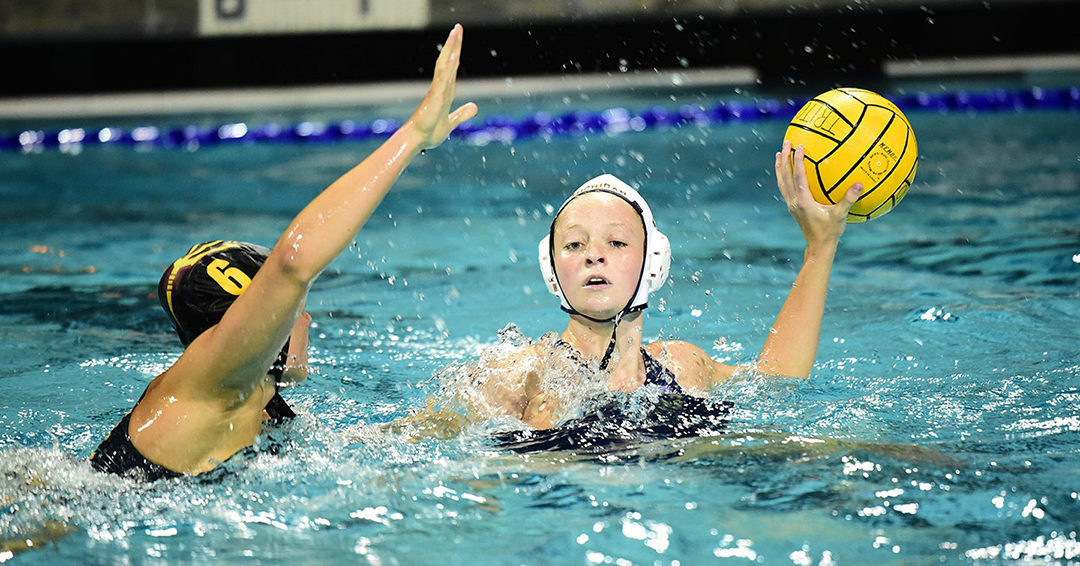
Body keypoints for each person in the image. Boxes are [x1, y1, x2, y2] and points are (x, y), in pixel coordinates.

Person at [89, 24, 478, 480]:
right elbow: (293, 263)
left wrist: (458, 424)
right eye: (290, 309)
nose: (305, 319)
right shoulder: (218, 381)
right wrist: (412, 135)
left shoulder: (256, 405)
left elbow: (345, 453)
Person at [392, 141, 862, 448]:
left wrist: (819, 249)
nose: (594, 256)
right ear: (552, 269)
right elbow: (408, 439)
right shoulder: (517, 373)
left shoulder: (682, 365)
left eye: (616, 243)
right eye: (574, 245)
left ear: (653, 261)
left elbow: (778, 380)